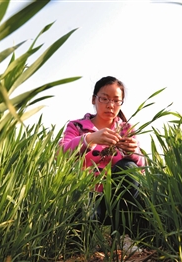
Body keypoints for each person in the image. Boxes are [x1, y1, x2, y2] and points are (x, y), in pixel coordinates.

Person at [59, 76, 145, 253]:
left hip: (118, 198)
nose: (110, 105)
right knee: (80, 244)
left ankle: (123, 236)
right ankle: (85, 241)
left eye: (116, 101)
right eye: (104, 99)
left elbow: (143, 165)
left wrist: (133, 151)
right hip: (88, 195)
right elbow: (61, 154)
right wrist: (89, 139)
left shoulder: (126, 128)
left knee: (129, 168)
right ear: (94, 99)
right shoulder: (77, 126)